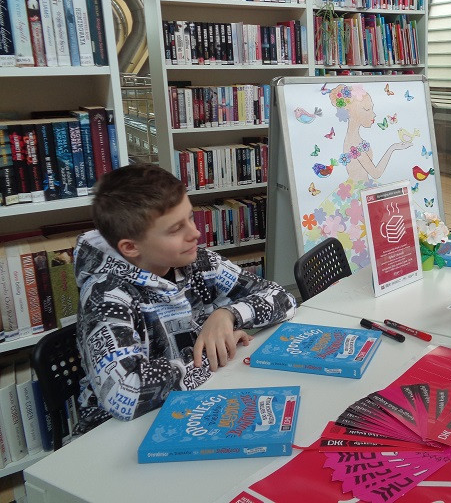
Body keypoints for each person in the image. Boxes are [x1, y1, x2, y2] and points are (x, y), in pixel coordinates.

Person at [74, 164, 297, 430]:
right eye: (175, 229)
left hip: (193, 402)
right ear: (131, 247)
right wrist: (215, 353)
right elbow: (126, 392)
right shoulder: (106, 297)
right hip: (114, 433)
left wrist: (228, 315)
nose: (195, 233)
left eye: (190, 218)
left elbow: (283, 298)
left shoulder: (199, 261)